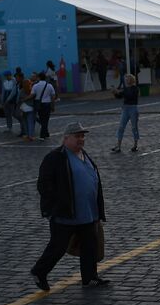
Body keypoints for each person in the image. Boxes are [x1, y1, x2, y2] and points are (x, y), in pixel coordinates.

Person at [32, 122, 109, 290]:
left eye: (82, 136)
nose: (81, 139)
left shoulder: (84, 155)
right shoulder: (55, 157)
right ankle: (39, 271)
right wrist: (56, 205)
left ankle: (89, 277)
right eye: (77, 136)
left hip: (88, 212)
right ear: (66, 138)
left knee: (89, 246)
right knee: (58, 247)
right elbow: (44, 185)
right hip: (66, 213)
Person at [111, 70, 140, 153]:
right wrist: (115, 93)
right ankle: (118, 146)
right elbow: (120, 96)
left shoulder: (135, 89)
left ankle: (135, 145)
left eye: (127, 79)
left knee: (134, 127)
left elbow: (130, 96)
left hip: (133, 108)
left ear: (131, 80)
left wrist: (118, 92)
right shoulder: (126, 89)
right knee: (121, 127)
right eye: (126, 79)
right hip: (125, 108)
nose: (126, 80)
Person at [31, 72, 57, 140]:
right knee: (46, 119)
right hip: (47, 104)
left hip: (39, 104)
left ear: (38, 77)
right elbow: (53, 96)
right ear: (45, 78)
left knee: (42, 119)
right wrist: (53, 106)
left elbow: (32, 95)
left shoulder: (35, 86)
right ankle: (45, 133)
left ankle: (43, 134)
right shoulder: (49, 85)